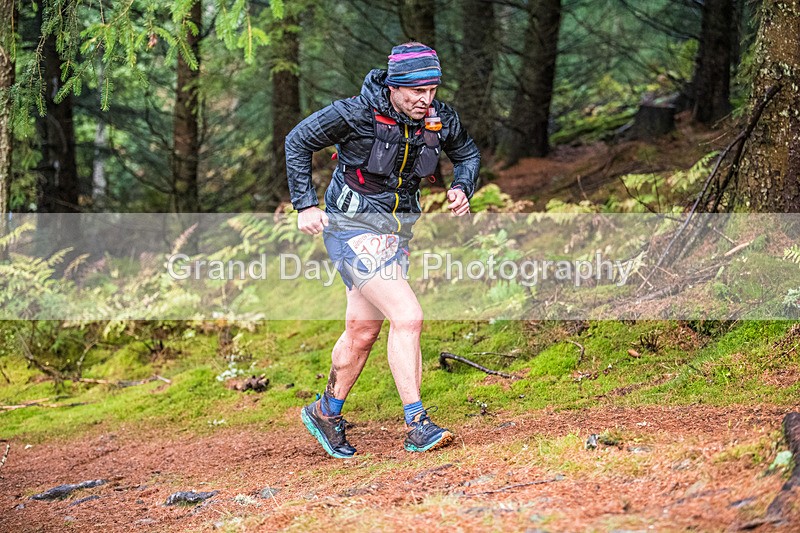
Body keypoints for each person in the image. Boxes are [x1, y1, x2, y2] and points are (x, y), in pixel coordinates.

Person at [285, 42, 480, 458]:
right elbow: (297, 141)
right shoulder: (355, 113)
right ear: (394, 86)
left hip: (396, 233)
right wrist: (304, 203)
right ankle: (417, 424)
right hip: (349, 227)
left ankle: (326, 411)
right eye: (416, 92)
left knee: (362, 331)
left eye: (432, 90)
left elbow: (466, 152)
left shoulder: (438, 118)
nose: (425, 100)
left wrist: (462, 185)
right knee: (408, 316)